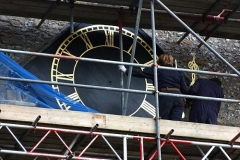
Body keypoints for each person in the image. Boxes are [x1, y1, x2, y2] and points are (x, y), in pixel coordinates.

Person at [118, 53, 189, 121]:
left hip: (166, 96)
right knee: (176, 122)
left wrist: (125, 70)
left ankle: (162, 133)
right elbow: (185, 89)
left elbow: (142, 73)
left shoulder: (157, 70)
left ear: (160, 61)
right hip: (179, 98)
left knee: (163, 120)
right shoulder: (178, 72)